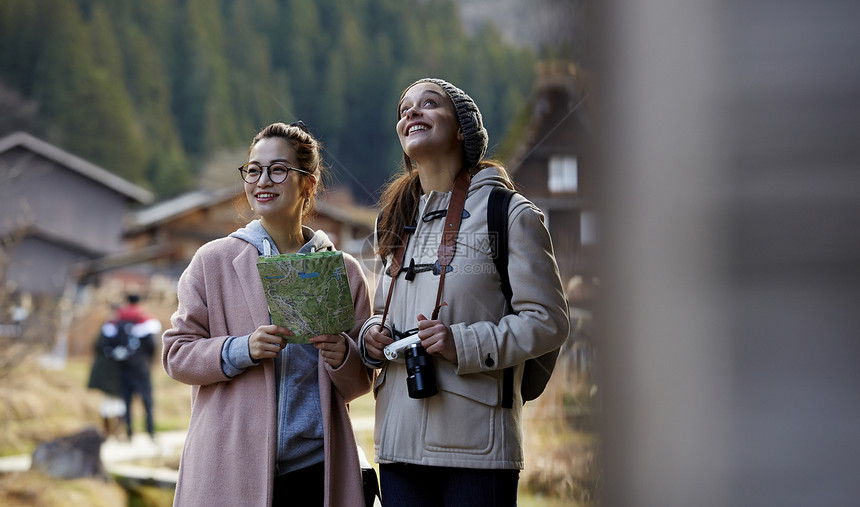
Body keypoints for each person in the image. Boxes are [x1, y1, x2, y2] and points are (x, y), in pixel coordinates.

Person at [358, 78, 571, 506]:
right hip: (398, 443)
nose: (411, 113)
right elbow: (381, 311)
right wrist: (370, 338)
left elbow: (548, 320)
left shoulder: (508, 213)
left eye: (429, 104)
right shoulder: (394, 220)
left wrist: (463, 342)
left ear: (462, 130)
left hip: (477, 448)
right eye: (405, 109)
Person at [162, 121, 373, 507]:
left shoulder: (342, 270)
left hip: (317, 469)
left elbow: (361, 384)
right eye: (254, 170)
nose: (263, 181)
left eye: (278, 170)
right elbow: (176, 355)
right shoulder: (214, 260)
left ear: (307, 183)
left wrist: (342, 356)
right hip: (228, 466)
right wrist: (241, 349)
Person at [89, 294, 160, 440]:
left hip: (122, 367)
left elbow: (102, 345)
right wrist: (149, 360)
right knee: (146, 400)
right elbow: (152, 345)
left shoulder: (116, 321)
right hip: (141, 367)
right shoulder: (145, 320)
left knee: (126, 401)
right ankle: (150, 431)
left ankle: (129, 432)